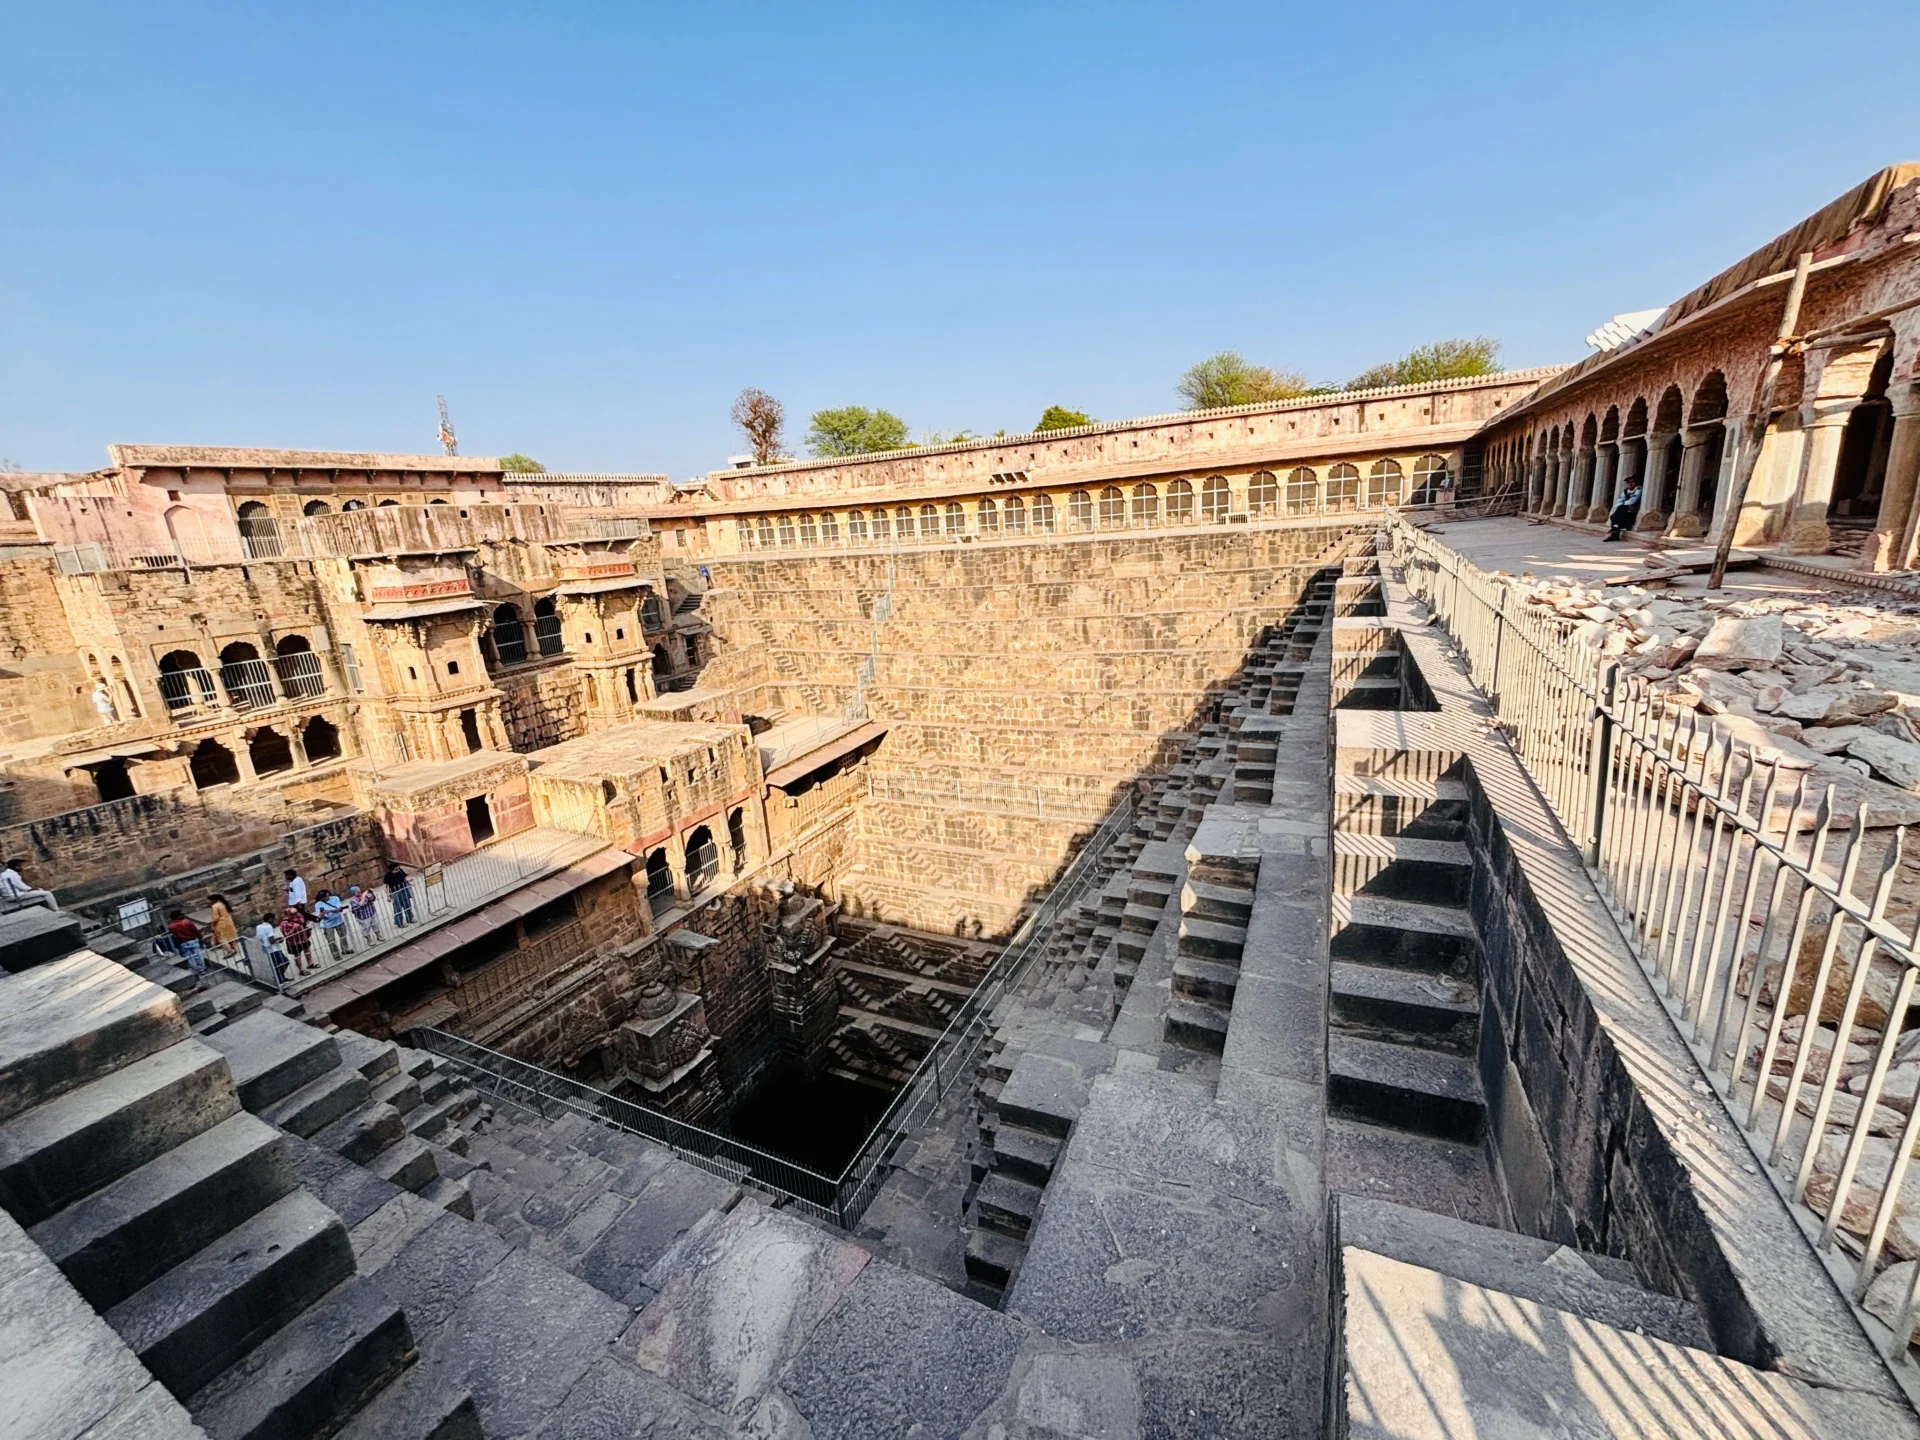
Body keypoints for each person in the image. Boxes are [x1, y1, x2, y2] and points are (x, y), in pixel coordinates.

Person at [313, 888, 350, 963]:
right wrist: (322, 914)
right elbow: (320, 916)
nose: (325, 898)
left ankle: (345, 949)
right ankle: (336, 954)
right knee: (331, 940)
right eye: (323, 897)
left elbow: (339, 909)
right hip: (327, 924)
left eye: (326, 896)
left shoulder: (335, 898)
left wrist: (329, 911)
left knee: (343, 936)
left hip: (338, 920)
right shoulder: (318, 904)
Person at [166, 910, 205, 976]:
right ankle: (202, 970)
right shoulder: (187, 922)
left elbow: (174, 936)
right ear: (178, 916)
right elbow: (195, 931)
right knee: (198, 956)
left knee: (190, 958)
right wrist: (200, 937)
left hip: (183, 942)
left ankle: (195, 970)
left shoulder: (171, 926)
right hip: (193, 940)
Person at [254, 913, 288, 984]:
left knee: (276, 964)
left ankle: (280, 978)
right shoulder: (269, 927)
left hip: (266, 949)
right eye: (273, 919)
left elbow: (260, 938)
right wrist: (279, 939)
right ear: (270, 919)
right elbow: (271, 940)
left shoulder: (258, 927)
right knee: (285, 962)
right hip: (274, 949)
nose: (274, 920)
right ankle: (279, 977)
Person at [280, 904, 313, 976]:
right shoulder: (284, 923)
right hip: (294, 942)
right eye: (293, 914)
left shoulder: (298, 917)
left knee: (307, 950)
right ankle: (301, 970)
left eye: (296, 913)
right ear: (288, 914)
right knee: (297, 955)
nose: (296, 915)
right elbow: (286, 935)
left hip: (303, 938)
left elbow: (303, 923)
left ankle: (310, 964)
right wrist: (293, 929)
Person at [385, 861, 416, 927]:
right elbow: (385, 886)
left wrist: (409, 881)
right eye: (396, 869)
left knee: (407, 904)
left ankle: (410, 918)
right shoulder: (387, 875)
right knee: (398, 907)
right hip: (395, 892)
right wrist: (387, 895)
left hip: (403, 889)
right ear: (392, 870)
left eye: (398, 868)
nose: (398, 870)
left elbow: (404, 878)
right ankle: (399, 922)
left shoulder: (400, 871)